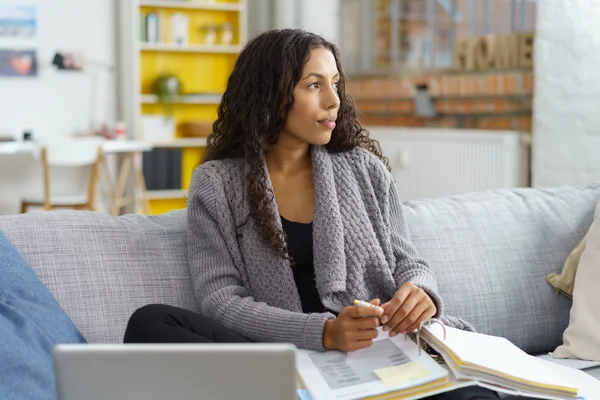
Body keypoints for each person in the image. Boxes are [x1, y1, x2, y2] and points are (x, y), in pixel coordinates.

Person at [124, 29, 500, 399]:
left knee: (477, 393)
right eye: (314, 85)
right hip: (282, 360)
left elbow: (408, 260)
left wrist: (420, 292)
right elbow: (221, 298)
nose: (334, 100)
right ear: (270, 94)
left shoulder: (364, 169)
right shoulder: (217, 183)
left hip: (378, 349)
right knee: (151, 323)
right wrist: (322, 333)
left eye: (335, 83)